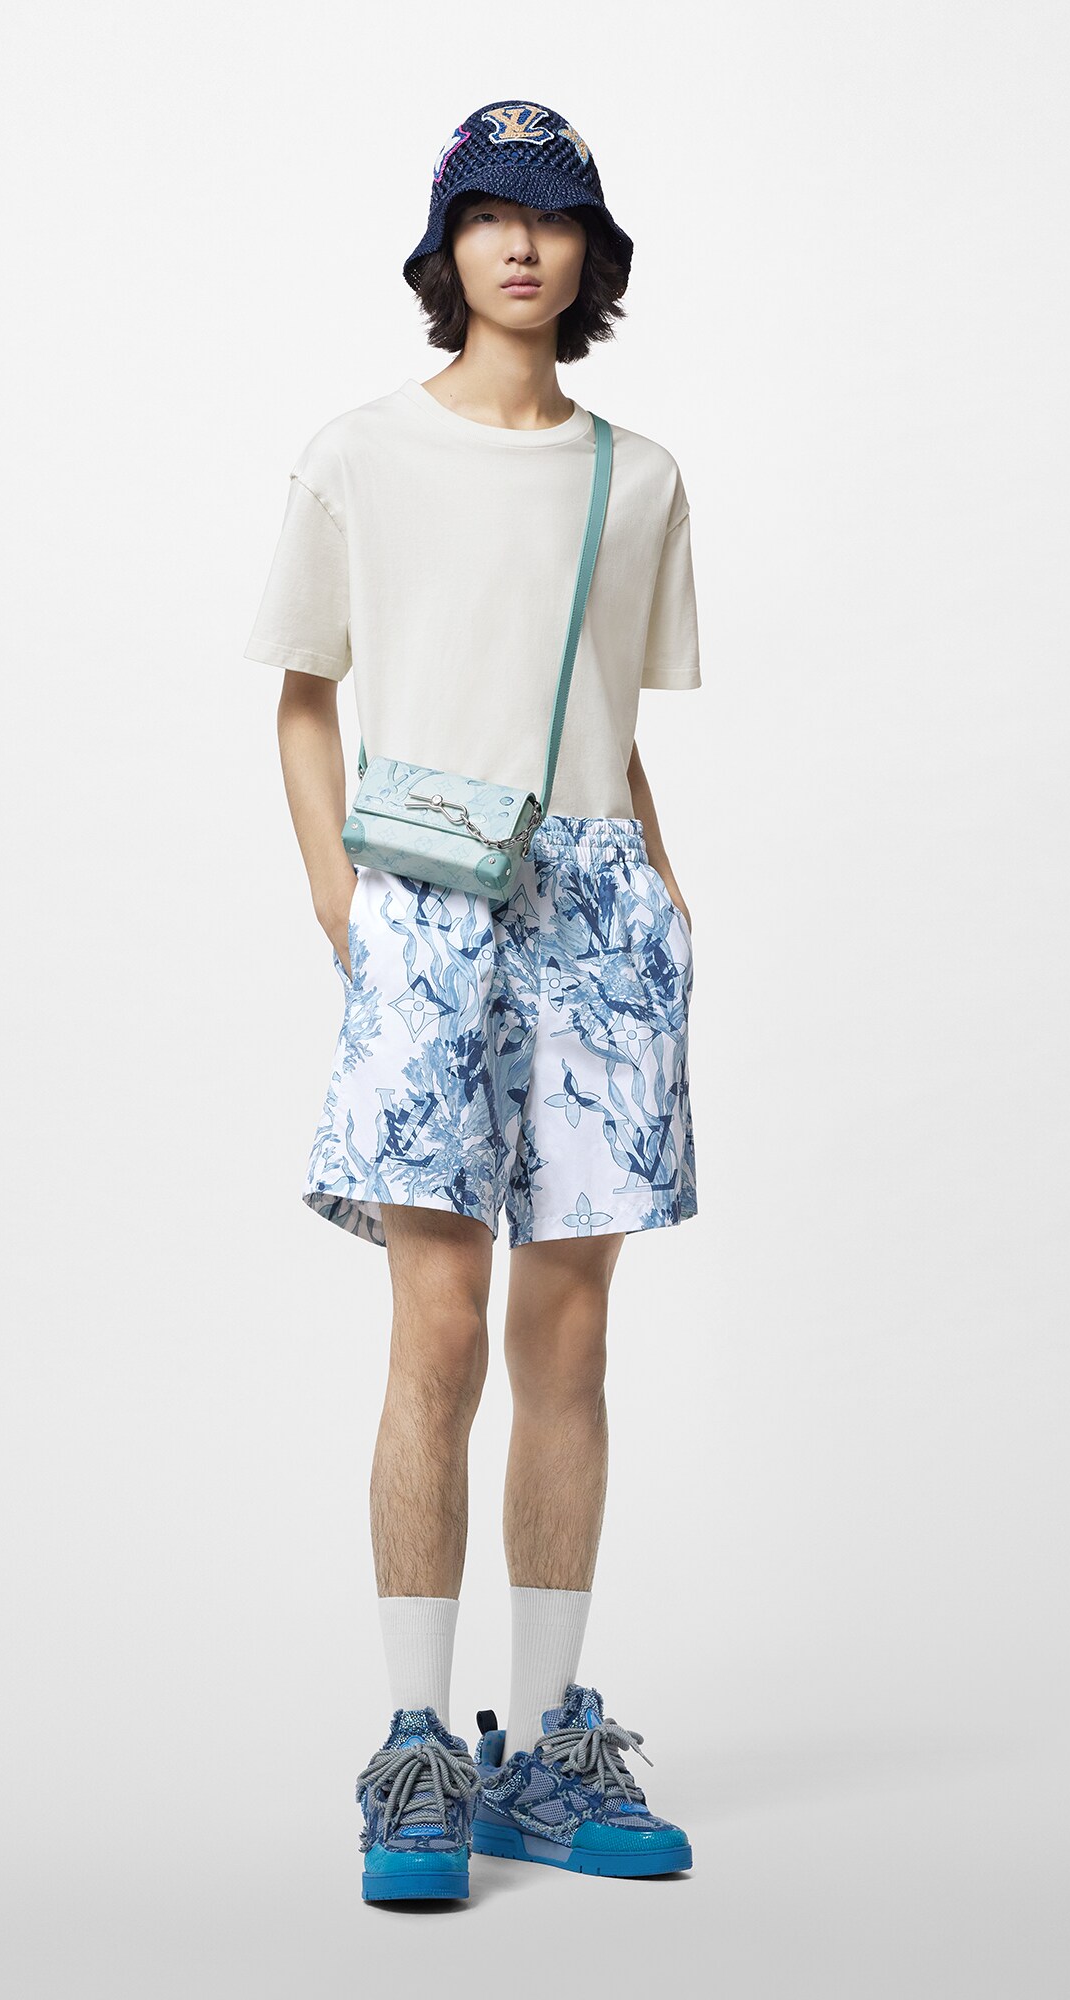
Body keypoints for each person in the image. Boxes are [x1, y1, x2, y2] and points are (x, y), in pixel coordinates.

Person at [243, 99, 701, 1903]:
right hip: (426, 906)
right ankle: (417, 1749)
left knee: (570, 1342)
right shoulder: (357, 455)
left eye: (555, 217)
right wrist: (342, 905)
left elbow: (610, 719)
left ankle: (548, 1747)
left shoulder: (639, 478)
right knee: (434, 1331)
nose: (523, 245)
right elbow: (302, 694)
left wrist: (665, 901)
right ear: (447, 249)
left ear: (591, 255)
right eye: (490, 215)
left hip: (596, 907)